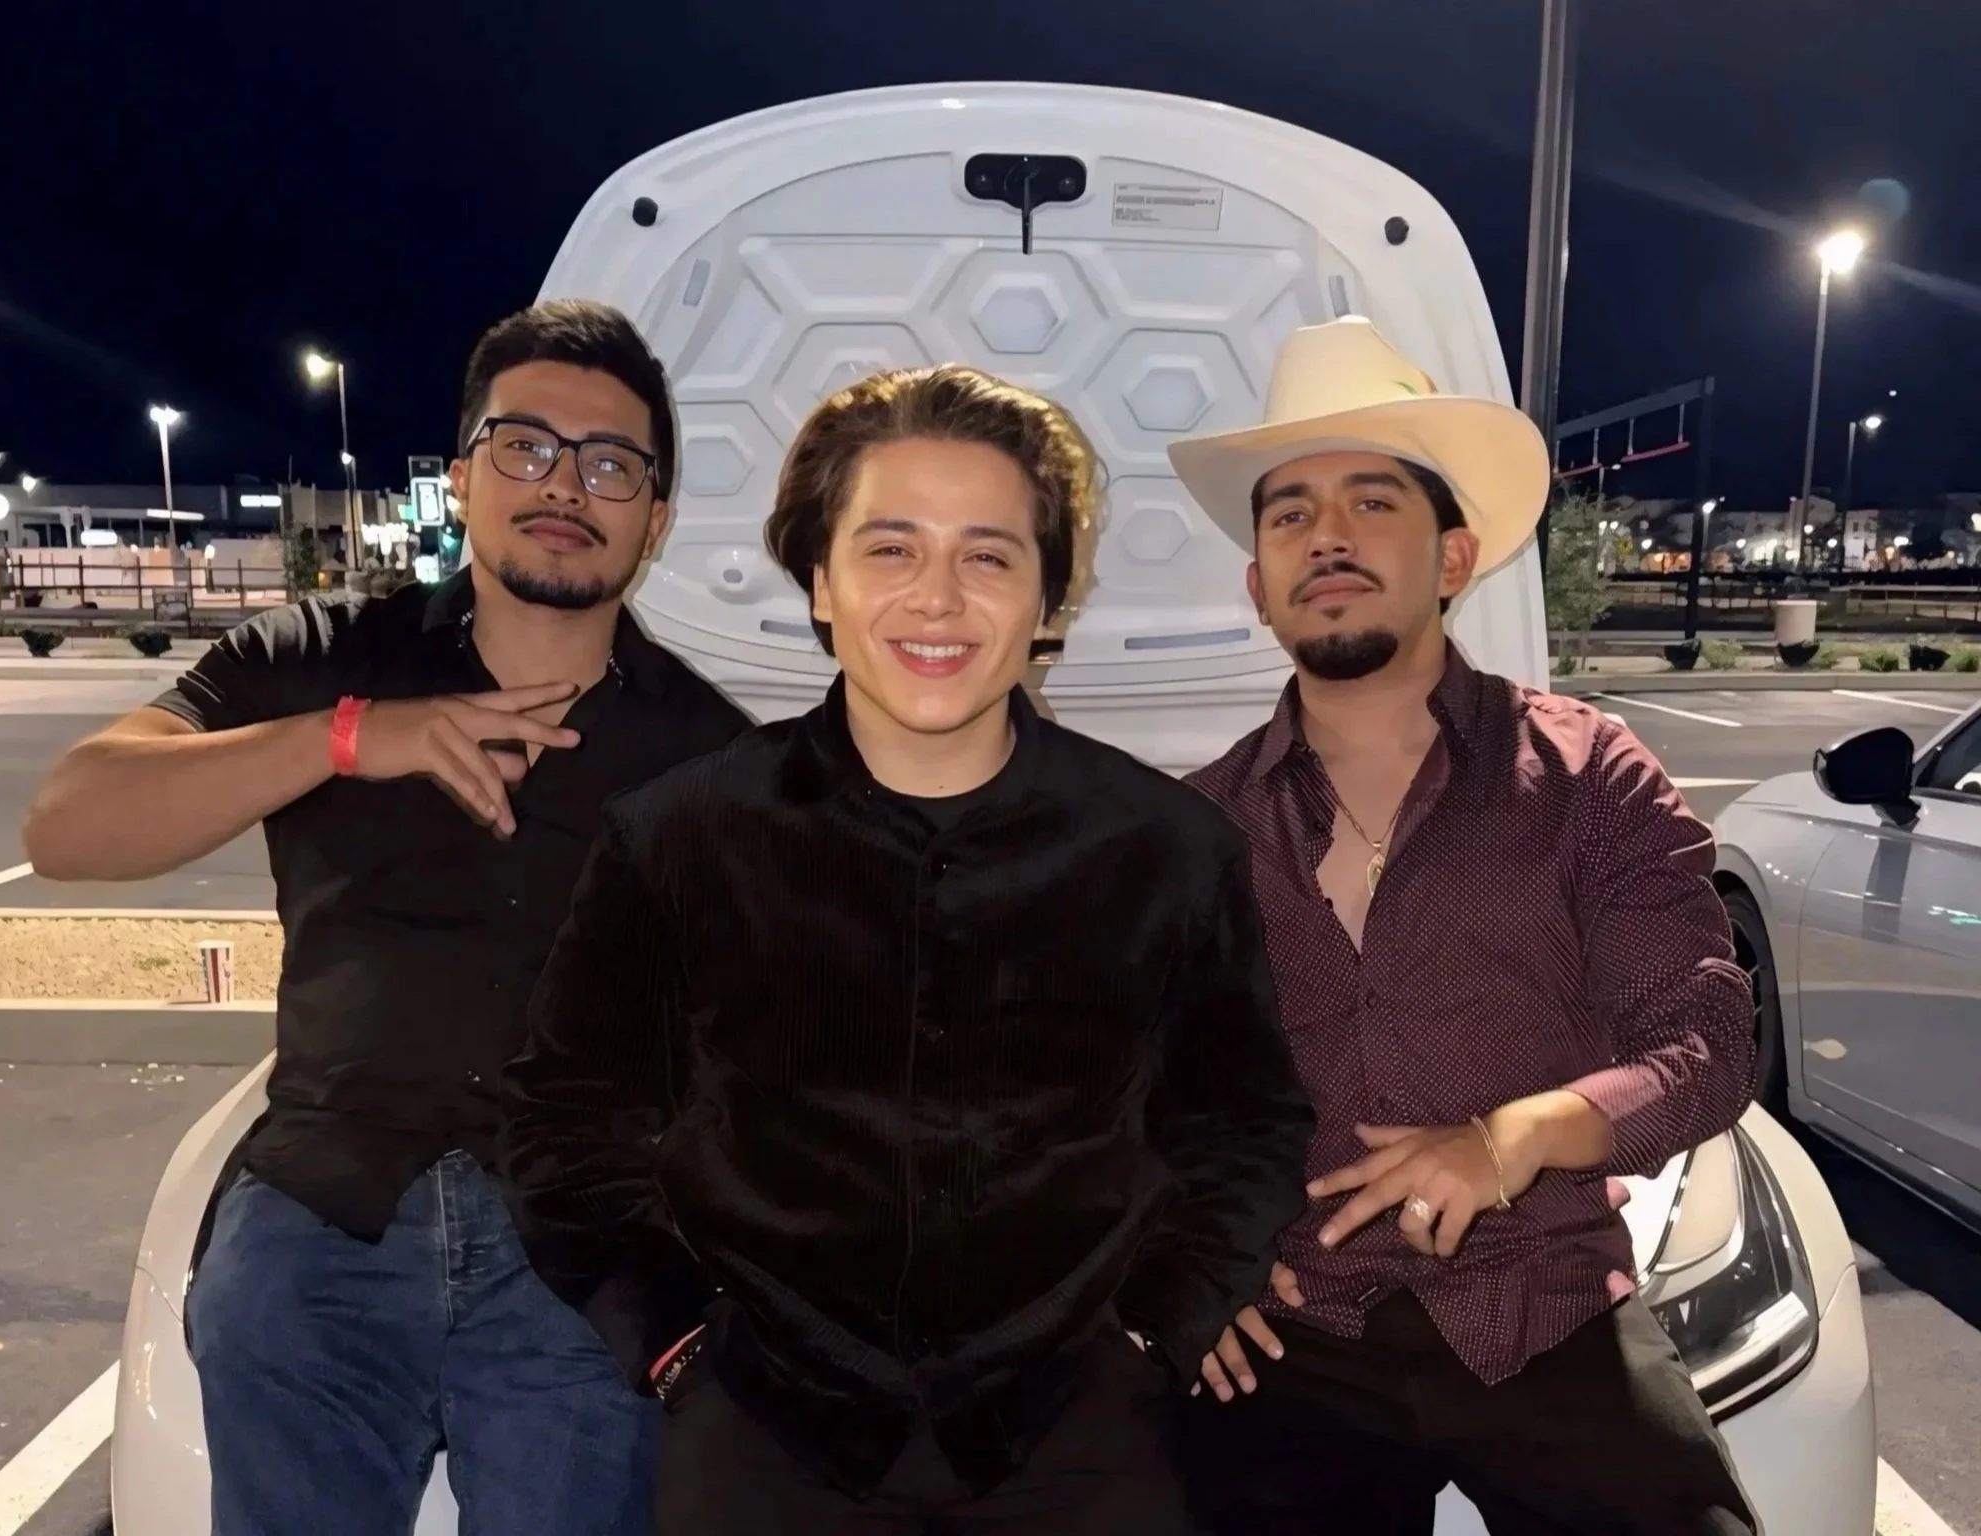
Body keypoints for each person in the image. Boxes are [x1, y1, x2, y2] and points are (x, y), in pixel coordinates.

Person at [499, 363, 1314, 1536]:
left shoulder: (1167, 850)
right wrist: (674, 1343)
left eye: (987, 556)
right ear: (820, 581)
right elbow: (564, 1118)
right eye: (889, 549)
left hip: (1071, 1432)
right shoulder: (677, 838)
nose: (936, 598)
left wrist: (1158, 1330)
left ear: (1046, 602)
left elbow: (1244, 1125)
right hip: (767, 1428)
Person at [22, 299, 750, 1536]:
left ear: (656, 518)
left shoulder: (714, 755)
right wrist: (352, 738)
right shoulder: (314, 655)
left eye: (610, 463)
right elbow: (68, 824)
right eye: (524, 446)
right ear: (462, 476)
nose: (564, 485)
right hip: (322, 1206)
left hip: (577, 1243)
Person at [1165, 316, 1761, 1535]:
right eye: (1287, 515)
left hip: (1541, 1301)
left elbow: (1704, 1039)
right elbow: (1130, 1093)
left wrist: (1509, 1139)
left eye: (1369, 501)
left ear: (1452, 557)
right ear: (1257, 586)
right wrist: (1174, 1266)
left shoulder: (1588, 772)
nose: (1323, 534)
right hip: (1293, 1328)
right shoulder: (1192, 828)